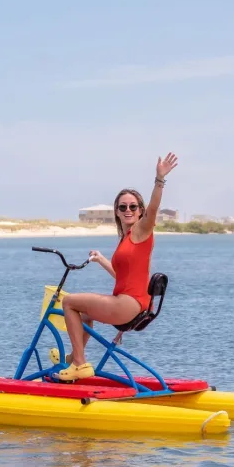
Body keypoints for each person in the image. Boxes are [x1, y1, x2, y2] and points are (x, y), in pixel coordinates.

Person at [53, 152, 178, 381]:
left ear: (140, 210)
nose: (128, 210)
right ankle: (74, 357)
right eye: (123, 207)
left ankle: (79, 364)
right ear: (117, 212)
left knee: (69, 302)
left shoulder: (141, 231)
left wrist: (159, 179)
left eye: (133, 206)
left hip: (128, 304)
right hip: (133, 304)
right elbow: (124, 277)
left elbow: (153, 209)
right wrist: (102, 260)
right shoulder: (127, 238)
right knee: (84, 314)